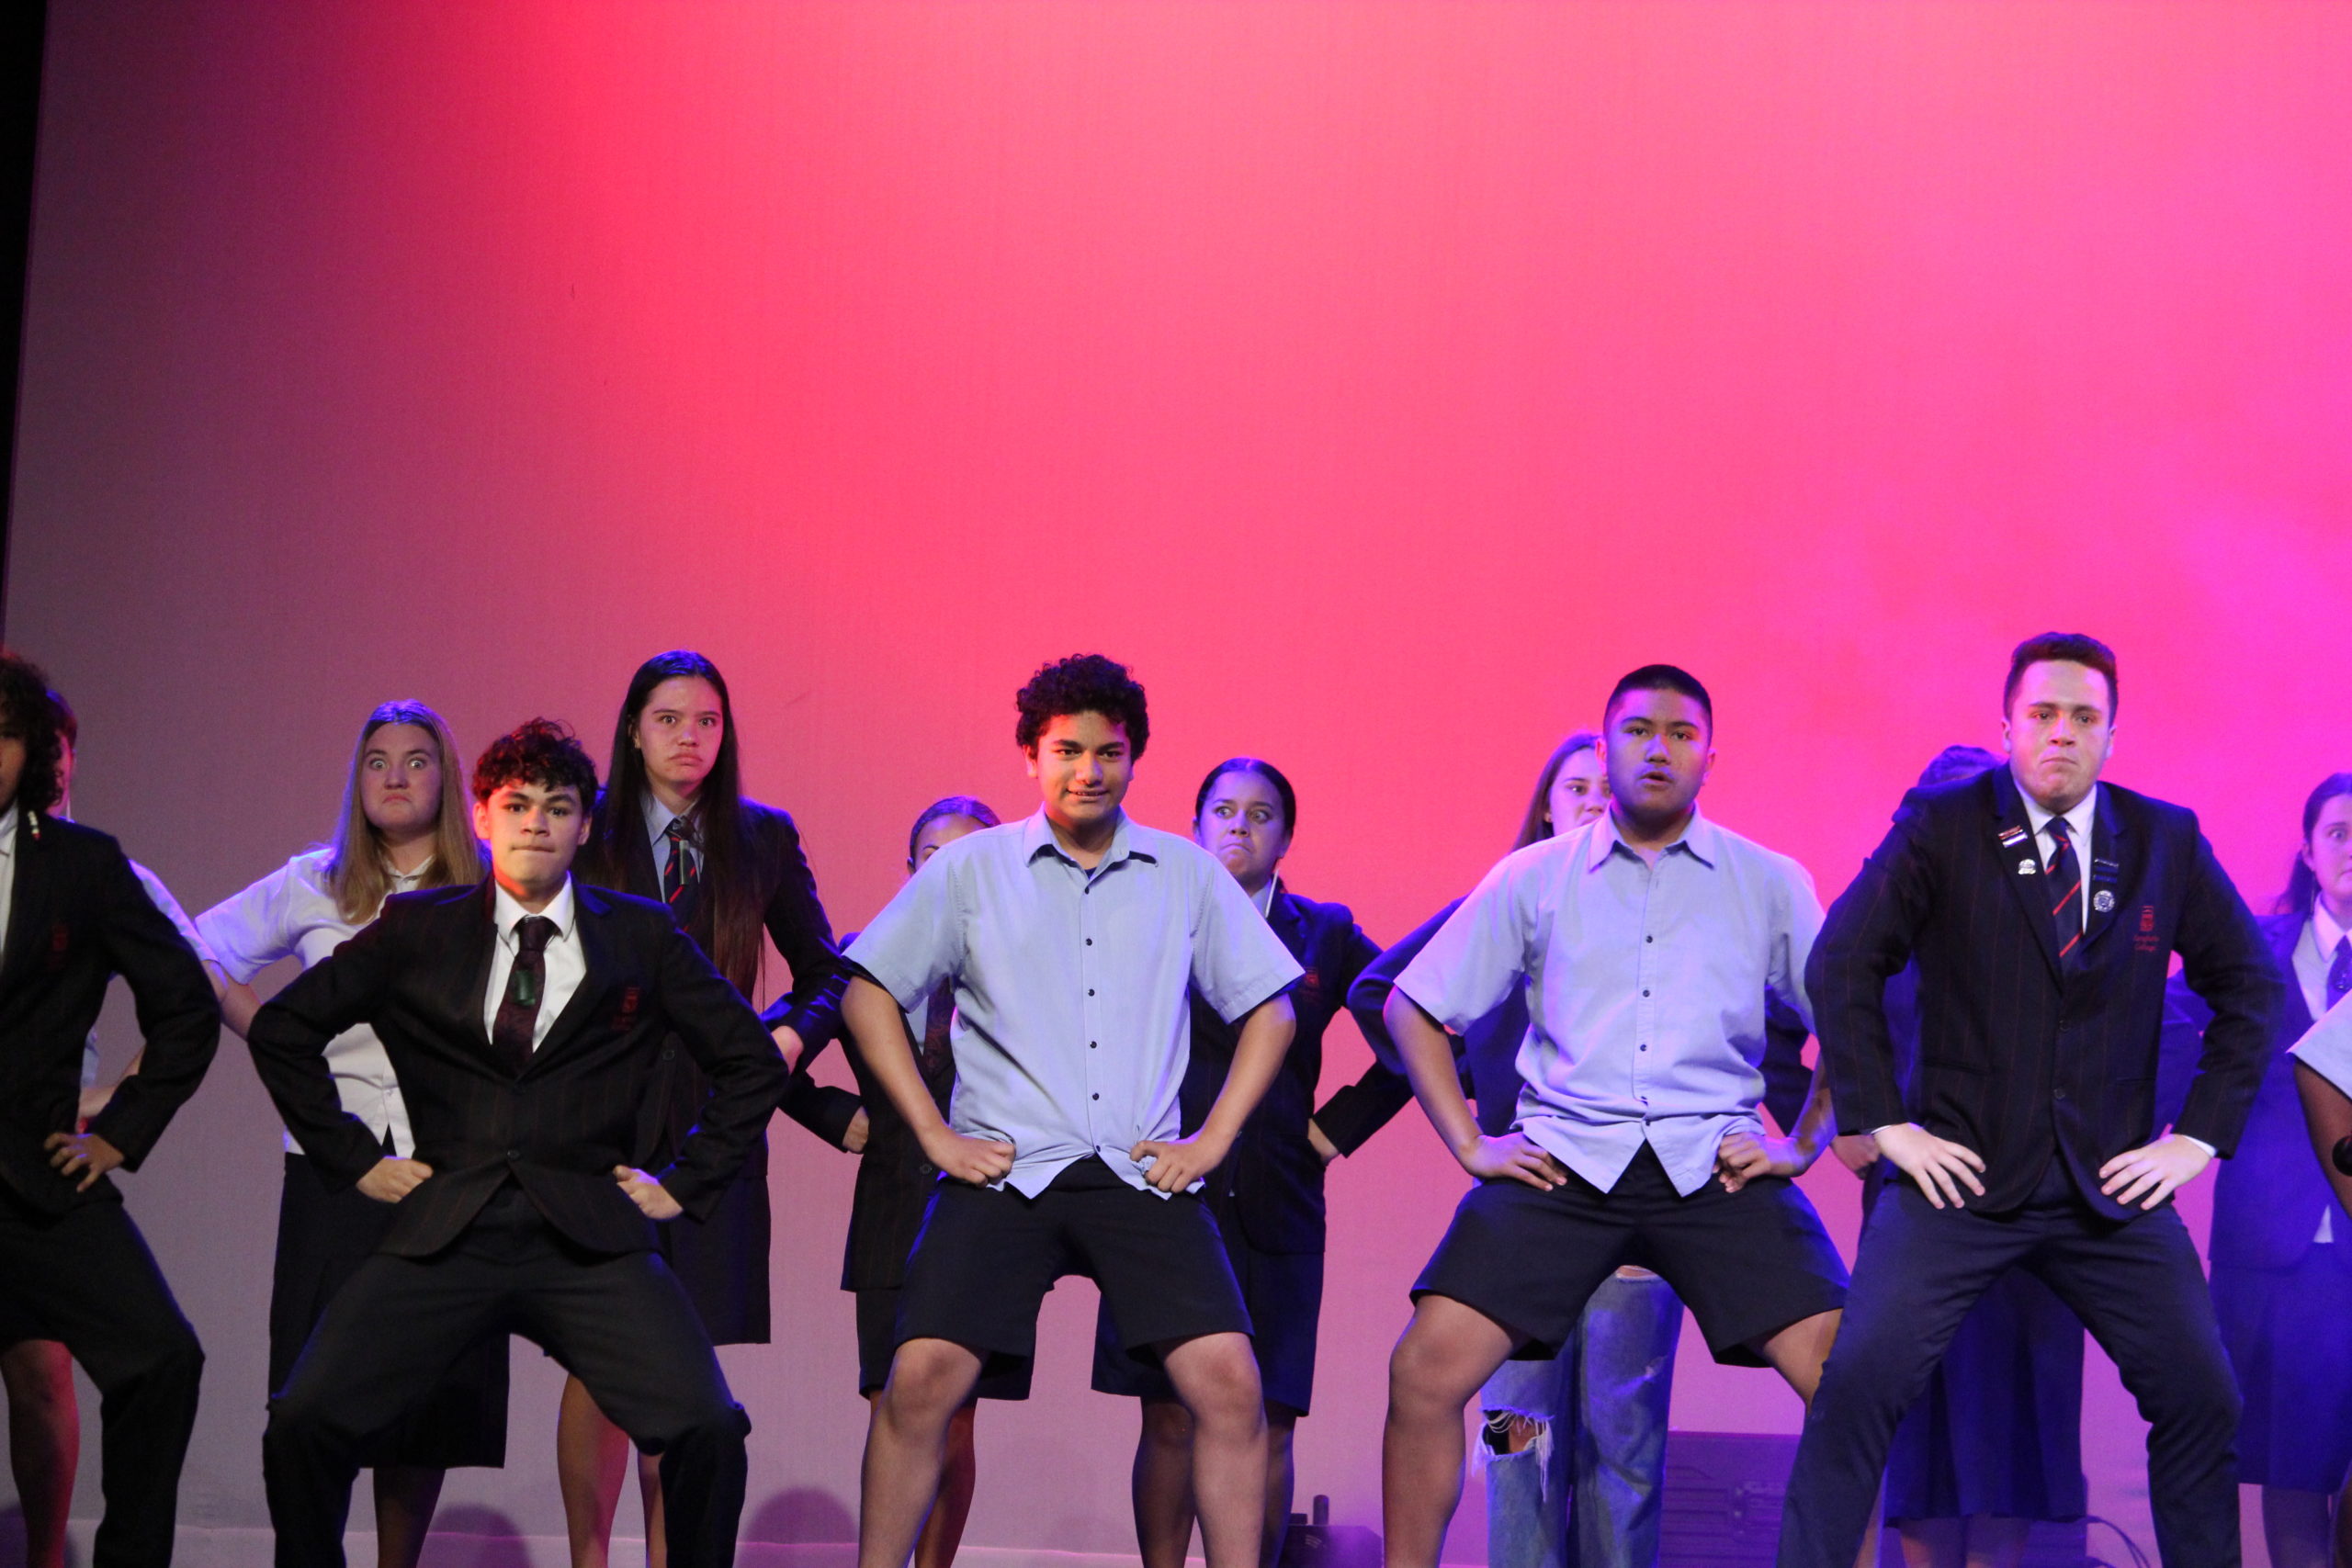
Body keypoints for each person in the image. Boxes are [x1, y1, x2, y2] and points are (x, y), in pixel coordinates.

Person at [1777, 632, 2281, 1568]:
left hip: (2106, 1191)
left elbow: (2251, 991)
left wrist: (2196, 1141)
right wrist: (1884, 1124)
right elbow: (1842, 960)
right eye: (2042, 715)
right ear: (2006, 726)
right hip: (1958, 1183)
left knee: (2202, 1395)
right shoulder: (1942, 824)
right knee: (1856, 1387)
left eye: (2083, 718)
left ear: (2111, 735)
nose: (2061, 734)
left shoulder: (2163, 839)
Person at [247, 718, 787, 1568]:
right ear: (485, 815)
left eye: (558, 806)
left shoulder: (636, 933)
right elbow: (283, 1029)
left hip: (589, 1237)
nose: (536, 821)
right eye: (518, 803)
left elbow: (751, 1062)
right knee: (303, 1420)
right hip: (446, 1229)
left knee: (709, 1426)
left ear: (583, 824)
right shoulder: (419, 925)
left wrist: (685, 1181)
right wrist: (354, 1160)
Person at [840, 653, 1302, 1568]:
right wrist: (934, 1133)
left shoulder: (1183, 872)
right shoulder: (970, 870)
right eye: (1066, 750)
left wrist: (1211, 1141)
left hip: (1135, 1168)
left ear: (1134, 759)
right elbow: (867, 993)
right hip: (1009, 1165)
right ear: (1030, 755)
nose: (1088, 770)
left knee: (1229, 1384)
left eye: (1109, 751)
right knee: (919, 1380)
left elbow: (1271, 1010)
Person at [1379, 666, 1845, 1568]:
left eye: (1678, 733)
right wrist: (1471, 1144)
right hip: (1564, 1164)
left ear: (1711, 755)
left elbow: (1851, 1019)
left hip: (1712, 1164)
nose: (1656, 748)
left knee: (1851, 1379)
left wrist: (1802, 1141)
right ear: (1605, 748)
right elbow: (1412, 1007)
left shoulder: (1765, 880)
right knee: (1425, 1375)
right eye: (1636, 731)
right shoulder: (1534, 877)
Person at [1351, 731, 1685, 1568]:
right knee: (1519, 1441)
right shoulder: (1511, 899)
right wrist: (1479, 1093)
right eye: (1571, 787)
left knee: (1624, 1443)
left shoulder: (1664, 912)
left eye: (1596, 787)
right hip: (1530, 1206)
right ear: (1546, 804)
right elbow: (1385, 991)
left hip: (1636, 1217)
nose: (1586, 801)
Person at [190, 699, 499, 1568]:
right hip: (334, 1163)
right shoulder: (316, 882)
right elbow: (194, 943)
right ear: (356, 780)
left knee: (428, 1398)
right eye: (376, 760)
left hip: (451, 1168)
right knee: (314, 1395)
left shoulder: (488, 889)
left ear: (447, 777)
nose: (396, 775)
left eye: (415, 758)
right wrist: (269, 1029)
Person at [561, 650, 845, 1568]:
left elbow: (827, 971)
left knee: (682, 1368)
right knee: (597, 1352)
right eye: (670, 719)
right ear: (633, 728)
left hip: (712, 1126)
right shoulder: (586, 828)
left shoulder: (760, 835)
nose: (690, 738)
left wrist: (788, 1040)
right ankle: (588, 1558)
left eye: (708, 722)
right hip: (597, 1119)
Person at [1094, 758, 1415, 1568]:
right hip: (1165, 1196)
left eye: (1261, 813)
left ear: (1287, 836)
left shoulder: (1325, 931)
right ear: (1197, 825)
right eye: (1224, 810)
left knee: (1270, 1418)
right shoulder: (1149, 913)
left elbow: (1416, 1016)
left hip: (1278, 1199)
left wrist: (1336, 1126)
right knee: (1167, 1414)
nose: (1240, 825)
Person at [1826, 746, 2086, 1568]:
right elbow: (1812, 1001)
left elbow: (2151, 1026)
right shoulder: (1883, 923)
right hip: (1917, 1211)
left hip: (2033, 1214)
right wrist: (1845, 1122)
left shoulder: (2061, 918)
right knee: (1921, 1426)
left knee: (2007, 1428)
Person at [0, 648, 220, 1568]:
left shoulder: (82, 867)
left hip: (33, 1184)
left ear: (36, 750)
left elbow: (186, 1008)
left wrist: (118, 1136)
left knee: (164, 1359)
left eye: (4, 734)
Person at [779, 795, 1012, 1568]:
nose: (948, 867)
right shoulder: (860, 954)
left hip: (983, 1214)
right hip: (888, 1212)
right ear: (908, 868)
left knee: (959, 1416)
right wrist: (830, 1113)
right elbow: (753, 1050)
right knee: (892, 1411)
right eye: (932, 853)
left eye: (968, 852)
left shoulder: (1022, 959)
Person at [2180, 773, 2352, 1568]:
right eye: (2340, 832)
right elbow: (2168, 1039)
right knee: (2289, 1474)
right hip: (2276, 1252)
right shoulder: (2254, 949)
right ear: (2309, 851)